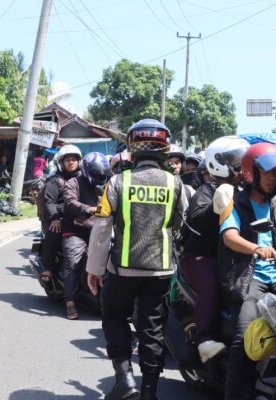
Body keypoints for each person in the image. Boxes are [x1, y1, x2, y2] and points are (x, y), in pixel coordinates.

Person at [86, 119, 186, 400]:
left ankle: (125, 379)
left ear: (133, 148)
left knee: (114, 317)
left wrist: (94, 269)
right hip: (160, 270)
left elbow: (102, 228)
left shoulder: (118, 181)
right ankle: (149, 392)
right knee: (152, 327)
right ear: (164, 150)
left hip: (122, 269)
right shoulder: (176, 184)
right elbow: (180, 224)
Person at [219, 142, 276, 400]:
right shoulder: (236, 202)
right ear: (251, 173)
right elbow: (229, 237)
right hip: (249, 280)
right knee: (243, 338)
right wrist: (256, 248)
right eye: (267, 173)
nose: (272, 178)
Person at [181, 135, 250, 363]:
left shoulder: (247, 191)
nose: (240, 166)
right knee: (210, 286)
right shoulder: (207, 190)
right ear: (218, 162)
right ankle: (203, 340)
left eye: (242, 159)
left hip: (236, 256)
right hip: (201, 255)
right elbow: (197, 220)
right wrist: (214, 207)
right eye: (235, 160)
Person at [62, 151, 111, 320]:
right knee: (73, 263)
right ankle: (70, 303)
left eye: (103, 174)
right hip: (76, 230)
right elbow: (69, 201)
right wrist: (87, 209)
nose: (100, 177)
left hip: (100, 230)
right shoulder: (73, 183)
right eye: (97, 174)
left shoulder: (108, 185)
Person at [38, 145, 81, 281]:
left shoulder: (83, 179)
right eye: (67, 160)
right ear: (61, 162)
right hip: (59, 217)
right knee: (54, 232)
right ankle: (48, 268)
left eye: (74, 159)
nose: (71, 162)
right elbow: (49, 201)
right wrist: (55, 218)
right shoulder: (55, 180)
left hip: (78, 216)